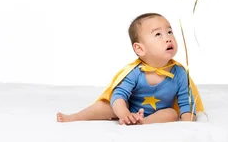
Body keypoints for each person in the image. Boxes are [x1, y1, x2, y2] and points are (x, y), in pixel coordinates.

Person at [56, 12, 203, 125]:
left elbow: (186, 101)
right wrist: (125, 114)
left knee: (171, 113)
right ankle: (75, 117)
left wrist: (188, 122)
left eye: (170, 32)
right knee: (106, 105)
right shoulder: (136, 72)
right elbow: (118, 95)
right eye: (158, 34)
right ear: (140, 49)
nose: (168, 38)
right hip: (129, 108)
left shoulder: (179, 73)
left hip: (158, 113)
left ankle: (142, 123)